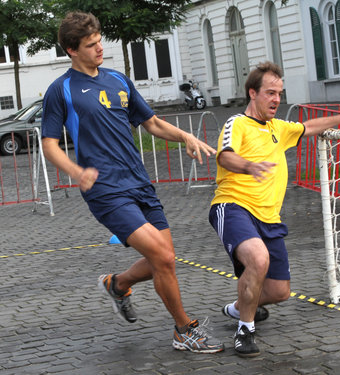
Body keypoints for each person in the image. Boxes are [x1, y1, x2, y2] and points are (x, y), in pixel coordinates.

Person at [41, 11, 224, 354]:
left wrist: (185, 135)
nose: (100, 48)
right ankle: (184, 330)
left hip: (140, 183)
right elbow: (49, 143)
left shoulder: (118, 79)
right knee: (165, 258)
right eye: (91, 44)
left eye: (100, 41)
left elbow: (151, 123)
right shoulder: (61, 90)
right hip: (106, 191)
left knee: (163, 259)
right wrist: (76, 172)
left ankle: (117, 284)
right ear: (71, 50)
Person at [209, 61, 340, 357]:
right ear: (253, 93)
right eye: (270, 93)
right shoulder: (237, 123)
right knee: (257, 260)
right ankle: (244, 332)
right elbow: (224, 157)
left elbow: (308, 127)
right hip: (233, 206)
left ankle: (239, 309)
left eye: (279, 94)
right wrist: (249, 165)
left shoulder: (279, 128)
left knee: (279, 292)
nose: (276, 99)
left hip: (269, 217)